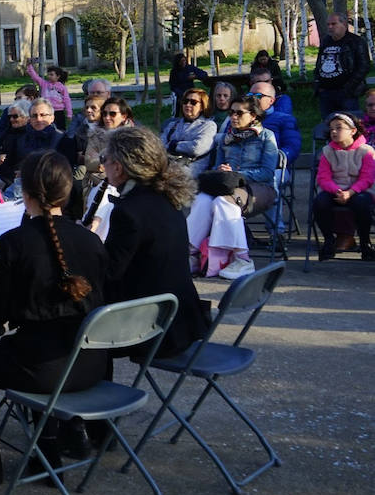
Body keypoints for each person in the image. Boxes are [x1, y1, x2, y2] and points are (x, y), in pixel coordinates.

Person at [0, 151, 106, 485]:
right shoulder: (92, 241)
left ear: (25, 194)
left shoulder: (14, 242)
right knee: (32, 347)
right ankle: (46, 454)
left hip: (43, 372)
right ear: (66, 193)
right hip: (90, 367)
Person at [98, 127, 211, 358]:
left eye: (104, 159)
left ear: (118, 168)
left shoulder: (129, 212)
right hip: (182, 320)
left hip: (154, 331)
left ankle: (86, 385)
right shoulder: (167, 195)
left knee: (75, 314)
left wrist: (84, 248)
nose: (103, 165)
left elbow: (108, 273)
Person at [187, 96, 279, 279]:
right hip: (228, 186)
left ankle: (242, 259)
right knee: (202, 200)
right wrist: (220, 170)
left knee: (224, 202)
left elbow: (268, 172)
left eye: (239, 113)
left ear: (253, 115)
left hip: (259, 189)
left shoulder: (266, 137)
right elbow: (217, 168)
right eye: (231, 113)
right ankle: (191, 253)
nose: (233, 117)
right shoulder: (226, 140)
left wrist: (239, 175)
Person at [313, 112, 375, 261]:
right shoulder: (327, 152)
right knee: (320, 203)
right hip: (335, 190)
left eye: (339, 128)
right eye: (332, 129)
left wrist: (351, 192)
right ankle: (329, 240)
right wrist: (338, 191)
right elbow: (323, 178)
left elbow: (367, 178)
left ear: (353, 131)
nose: (334, 131)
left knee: (362, 203)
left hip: (360, 191)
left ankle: (365, 242)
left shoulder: (366, 151)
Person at [0, 100, 61, 200]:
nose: (38, 119)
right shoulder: (14, 136)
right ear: (30, 118)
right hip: (18, 180)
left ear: (52, 118)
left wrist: (26, 171)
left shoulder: (60, 138)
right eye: (34, 116)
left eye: (43, 115)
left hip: (47, 185)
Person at [315, 11, 370, 116]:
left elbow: (364, 66)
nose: (330, 27)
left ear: (344, 24)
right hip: (326, 92)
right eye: (328, 24)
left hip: (346, 94)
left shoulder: (355, 41)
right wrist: (318, 84)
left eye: (333, 24)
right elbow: (319, 63)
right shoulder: (326, 41)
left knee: (348, 123)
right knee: (328, 125)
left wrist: (348, 88)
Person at [160, 88, 217, 178]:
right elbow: (160, 145)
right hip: (169, 163)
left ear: (202, 106)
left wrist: (174, 145)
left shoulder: (208, 125)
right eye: (185, 101)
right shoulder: (172, 124)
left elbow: (197, 148)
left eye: (193, 102)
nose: (188, 105)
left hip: (191, 168)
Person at [249, 80, 300, 167]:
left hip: (272, 167)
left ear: (271, 100)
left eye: (258, 96)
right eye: (250, 95)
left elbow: (292, 148)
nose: (252, 99)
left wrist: (270, 161)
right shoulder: (239, 117)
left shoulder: (285, 120)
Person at [26, 60, 73, 130]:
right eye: (48, 74)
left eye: (51, 74)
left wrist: (69, 113)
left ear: (58, 76)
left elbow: (67, 100)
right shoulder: (44, 84)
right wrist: (30, 67)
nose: (49, 76)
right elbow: (35, 77)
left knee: (60, 129)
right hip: (47, 111)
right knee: (47, 128)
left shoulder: (62, 87)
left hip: (59, 111)